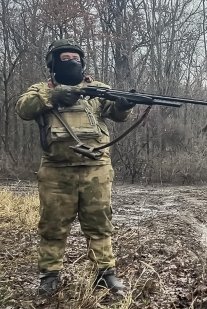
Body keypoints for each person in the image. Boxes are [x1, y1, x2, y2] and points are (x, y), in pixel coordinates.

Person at [15, 39, 135, 296]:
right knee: (52, 225)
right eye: (65, 59)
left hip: (96, 168)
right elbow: (23, 108)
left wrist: (124, 104)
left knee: (100, 223)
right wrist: (52, 95)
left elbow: (116, 112)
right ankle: (49, 276)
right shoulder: (41, 89)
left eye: (76, 59)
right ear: (53, 65)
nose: (72, 63)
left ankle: (105, 275)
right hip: (56, 171)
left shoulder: (97, 89)